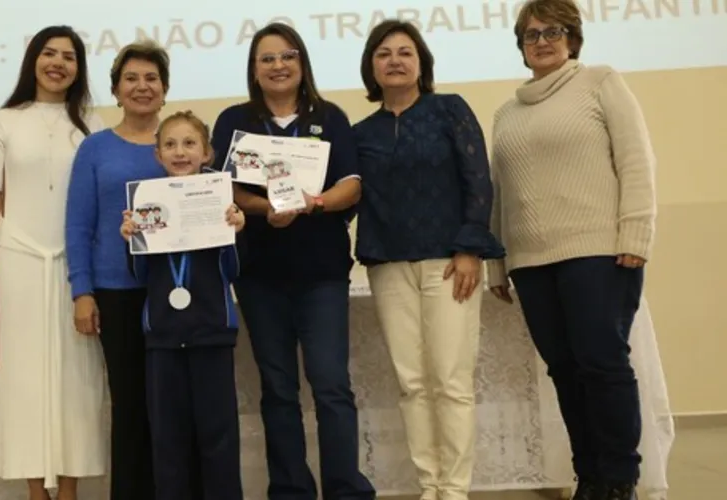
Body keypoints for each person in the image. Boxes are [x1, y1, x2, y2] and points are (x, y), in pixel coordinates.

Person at [487, 1, 657, 499]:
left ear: (573, 38)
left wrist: (636, 236)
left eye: (553, 31)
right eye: (530, 34)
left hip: (599, 252)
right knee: (563, 369)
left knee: (602, 363)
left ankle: (620, 476)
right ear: (520, 46)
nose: (541, 41)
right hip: (531, 263)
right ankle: (590, 475)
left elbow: (636, 163)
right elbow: (500, 195)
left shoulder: (601, 82)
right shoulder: (505, 113)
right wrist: (498, 263)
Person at [210, 23, 376, 500]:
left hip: (322, 275)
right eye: (267, 58)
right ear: (254, 70)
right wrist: (268, 210)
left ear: (302, 63)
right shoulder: (234, 121)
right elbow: (226, 188)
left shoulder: (331, 117)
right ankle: (290, 490)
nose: (278, 65)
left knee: (331, 387)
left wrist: (313, 204)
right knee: (279, 391)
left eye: (287, 56)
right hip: (260, 276)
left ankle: (346, 490)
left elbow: (353, 184)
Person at [352, 20, 505, 500]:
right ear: (371, 67)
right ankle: (429, 485)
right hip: (388, 265)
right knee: (412, 383)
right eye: (383, 53)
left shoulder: (449, 110)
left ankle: (455, 490)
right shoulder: (359, 133)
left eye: (405, 52)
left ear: (421, 63)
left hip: (449, 262)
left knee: (451, 380)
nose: (394, 60)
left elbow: (479, 180)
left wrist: (469, 248)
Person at [0, 26, 107, 500]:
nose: (58, 63)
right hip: (19, 258)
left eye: (69, 56)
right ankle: (36, 490)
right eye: (49, 53)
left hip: (76, 265)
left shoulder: (92, 123)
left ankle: (68, 488)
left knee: (78, 377)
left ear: (79, 68)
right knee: (23, 377)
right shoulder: (4, 120)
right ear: (33, 59)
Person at [64, 40, 174, 500]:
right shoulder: (95, 148)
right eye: (131, 78)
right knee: (129, 406)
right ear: (116, 89)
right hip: (115, 292)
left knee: (170, 406)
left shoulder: (180, 144)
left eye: (151, 78)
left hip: (174, 291)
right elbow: (77, 223)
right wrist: (82, 291)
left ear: (165, 90)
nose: (141, 86)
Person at [119, 110, 247, 500]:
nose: (180, 152)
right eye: (170, 145)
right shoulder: (147, 202)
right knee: (168, 442)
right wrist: (132, 237)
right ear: (158, 155)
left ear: (207, 153)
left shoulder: (220, 201)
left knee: (219, 439)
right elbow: (141, 275)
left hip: (212, 333)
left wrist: (234, 230)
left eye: (189, 143)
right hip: (163, 336)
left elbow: (233, 271)